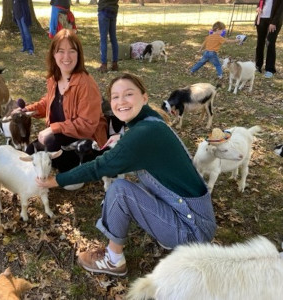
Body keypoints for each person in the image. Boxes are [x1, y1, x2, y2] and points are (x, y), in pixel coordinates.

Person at [36, 73, 217, 276]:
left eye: (128, 94)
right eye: (115, 97)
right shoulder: (152, 120)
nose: (121, 101)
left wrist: (55, 181)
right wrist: (122, 141)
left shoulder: (142, 134)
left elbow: (99, 167)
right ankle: (167, 231)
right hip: (198, 217)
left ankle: (114, 260)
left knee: (120, 190)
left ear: (144, 97)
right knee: (130, 186)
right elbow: (135, 146)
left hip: (192, 230)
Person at [13, 29, 108, 174]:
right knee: (31, 150)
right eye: (61, 51)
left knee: (49, 146)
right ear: (53, 54)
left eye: (72, 51)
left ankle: (77, 172)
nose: (66, 57)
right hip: (62, 137)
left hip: (86, 144)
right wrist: (27, 110)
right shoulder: (54, 78)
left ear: (79, 54)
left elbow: (87, 125)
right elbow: (50, 102)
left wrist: (53, 128)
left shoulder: (86, 84)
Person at [255, 0, 283, 78]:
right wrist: (258, 8)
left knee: (270, 43)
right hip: (261, 19)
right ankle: (257, 66)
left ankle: (270, 69)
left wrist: (273, 22)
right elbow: (261, 3)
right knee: (260, 43)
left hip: (273, 21)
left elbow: (280, 9)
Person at [97, 0, 119, 73]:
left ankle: (104, 65)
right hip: (113, 10)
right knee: (113, 38)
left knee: (103, 39)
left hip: (104, 9)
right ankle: (115, 64)